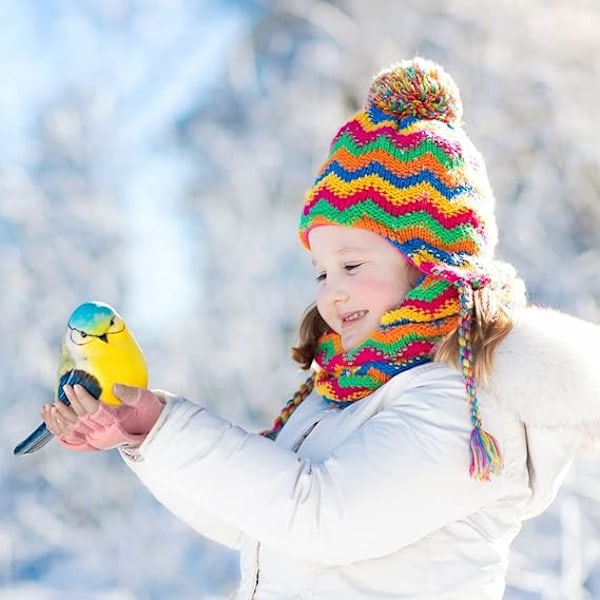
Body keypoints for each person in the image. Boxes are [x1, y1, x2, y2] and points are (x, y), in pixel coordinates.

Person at [42, 57, 600, 599]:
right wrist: (147, 434)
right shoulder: (343, 399)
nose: (331, 290)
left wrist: (171, 425)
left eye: (352, 266)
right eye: (322, 270)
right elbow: (255, 522)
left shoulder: (460, 403)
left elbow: (319, 517)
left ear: (431, 261)